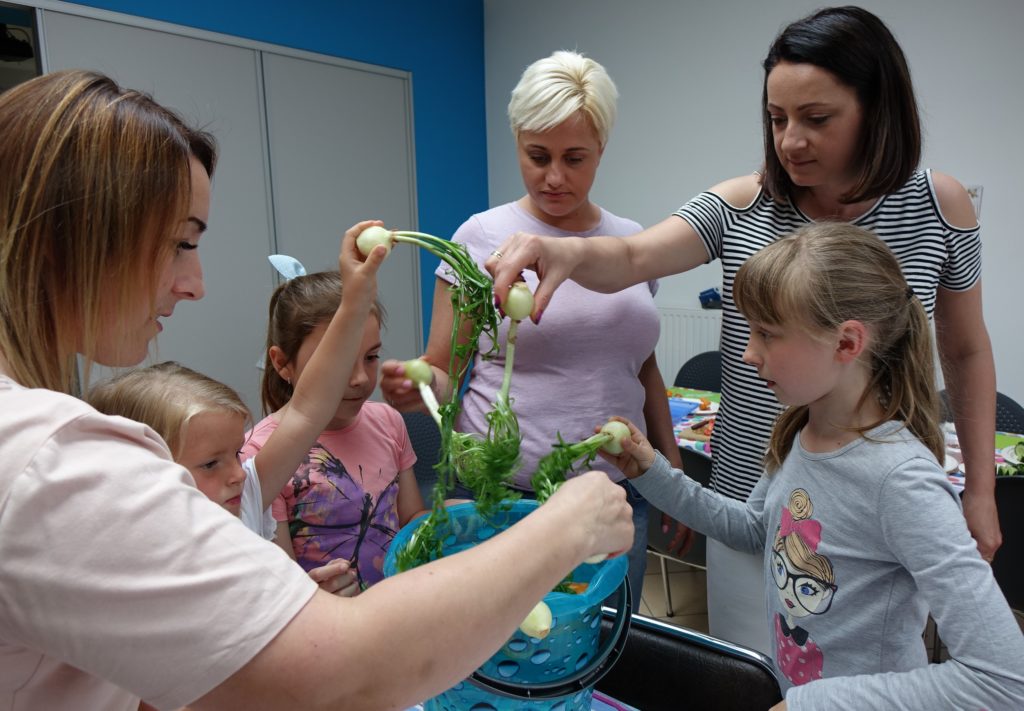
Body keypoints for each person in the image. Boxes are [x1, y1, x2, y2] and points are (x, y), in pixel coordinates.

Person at [0, 69, 634, 711]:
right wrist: (566, 527)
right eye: (181, 243)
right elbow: (345, 670)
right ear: (70, 235)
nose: (194, 284)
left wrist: (355, 296)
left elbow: (306, 408)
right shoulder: (53, 464)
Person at [488, 6, 997, 653]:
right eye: (777, 119)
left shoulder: (940, 207)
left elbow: (965, 349)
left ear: (878, 110)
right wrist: (562, 250)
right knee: (755, 669)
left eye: (816, 118)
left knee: (863, 671)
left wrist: (981, 491)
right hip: (749, 502)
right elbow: (635, 255)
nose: (790, 141)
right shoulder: (742, 203)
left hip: (878, 512)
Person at [603, 223, 1024, 709]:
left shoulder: (903, 481)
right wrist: (650, 471)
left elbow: (1002, 678)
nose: (748, 353)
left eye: (766, 334)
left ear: (846, 343)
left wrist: (812, 704)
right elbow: (753, 530)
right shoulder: (800, 429)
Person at [380, 50, 682, 609]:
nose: (554, 177)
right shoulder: (480, 236)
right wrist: (417, 386)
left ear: (601, 150)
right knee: (506, 646)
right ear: (517, 140)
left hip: (617, 495)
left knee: (607, 644)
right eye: (537, 155)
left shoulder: (631, 243)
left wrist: (672, 472)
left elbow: (641, 367)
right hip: (501, 497)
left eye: (575, 158)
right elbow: (445, 370)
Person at [89, 361, 359, 597]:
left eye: (237, 453)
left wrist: (305, 601)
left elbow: (308, 410)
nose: (239, 474)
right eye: (210, 464)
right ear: (142, 471)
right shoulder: (137, 573)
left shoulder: (244, 503)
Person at [244, 269, 427, 589]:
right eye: (337, 361)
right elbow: (282, 583)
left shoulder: (389, 421)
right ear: (282, 363)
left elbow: (411, 518)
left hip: (396, 602)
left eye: (371, 357)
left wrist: (442, 521)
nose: (359, 379)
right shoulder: (262, 455)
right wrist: (321, 593)